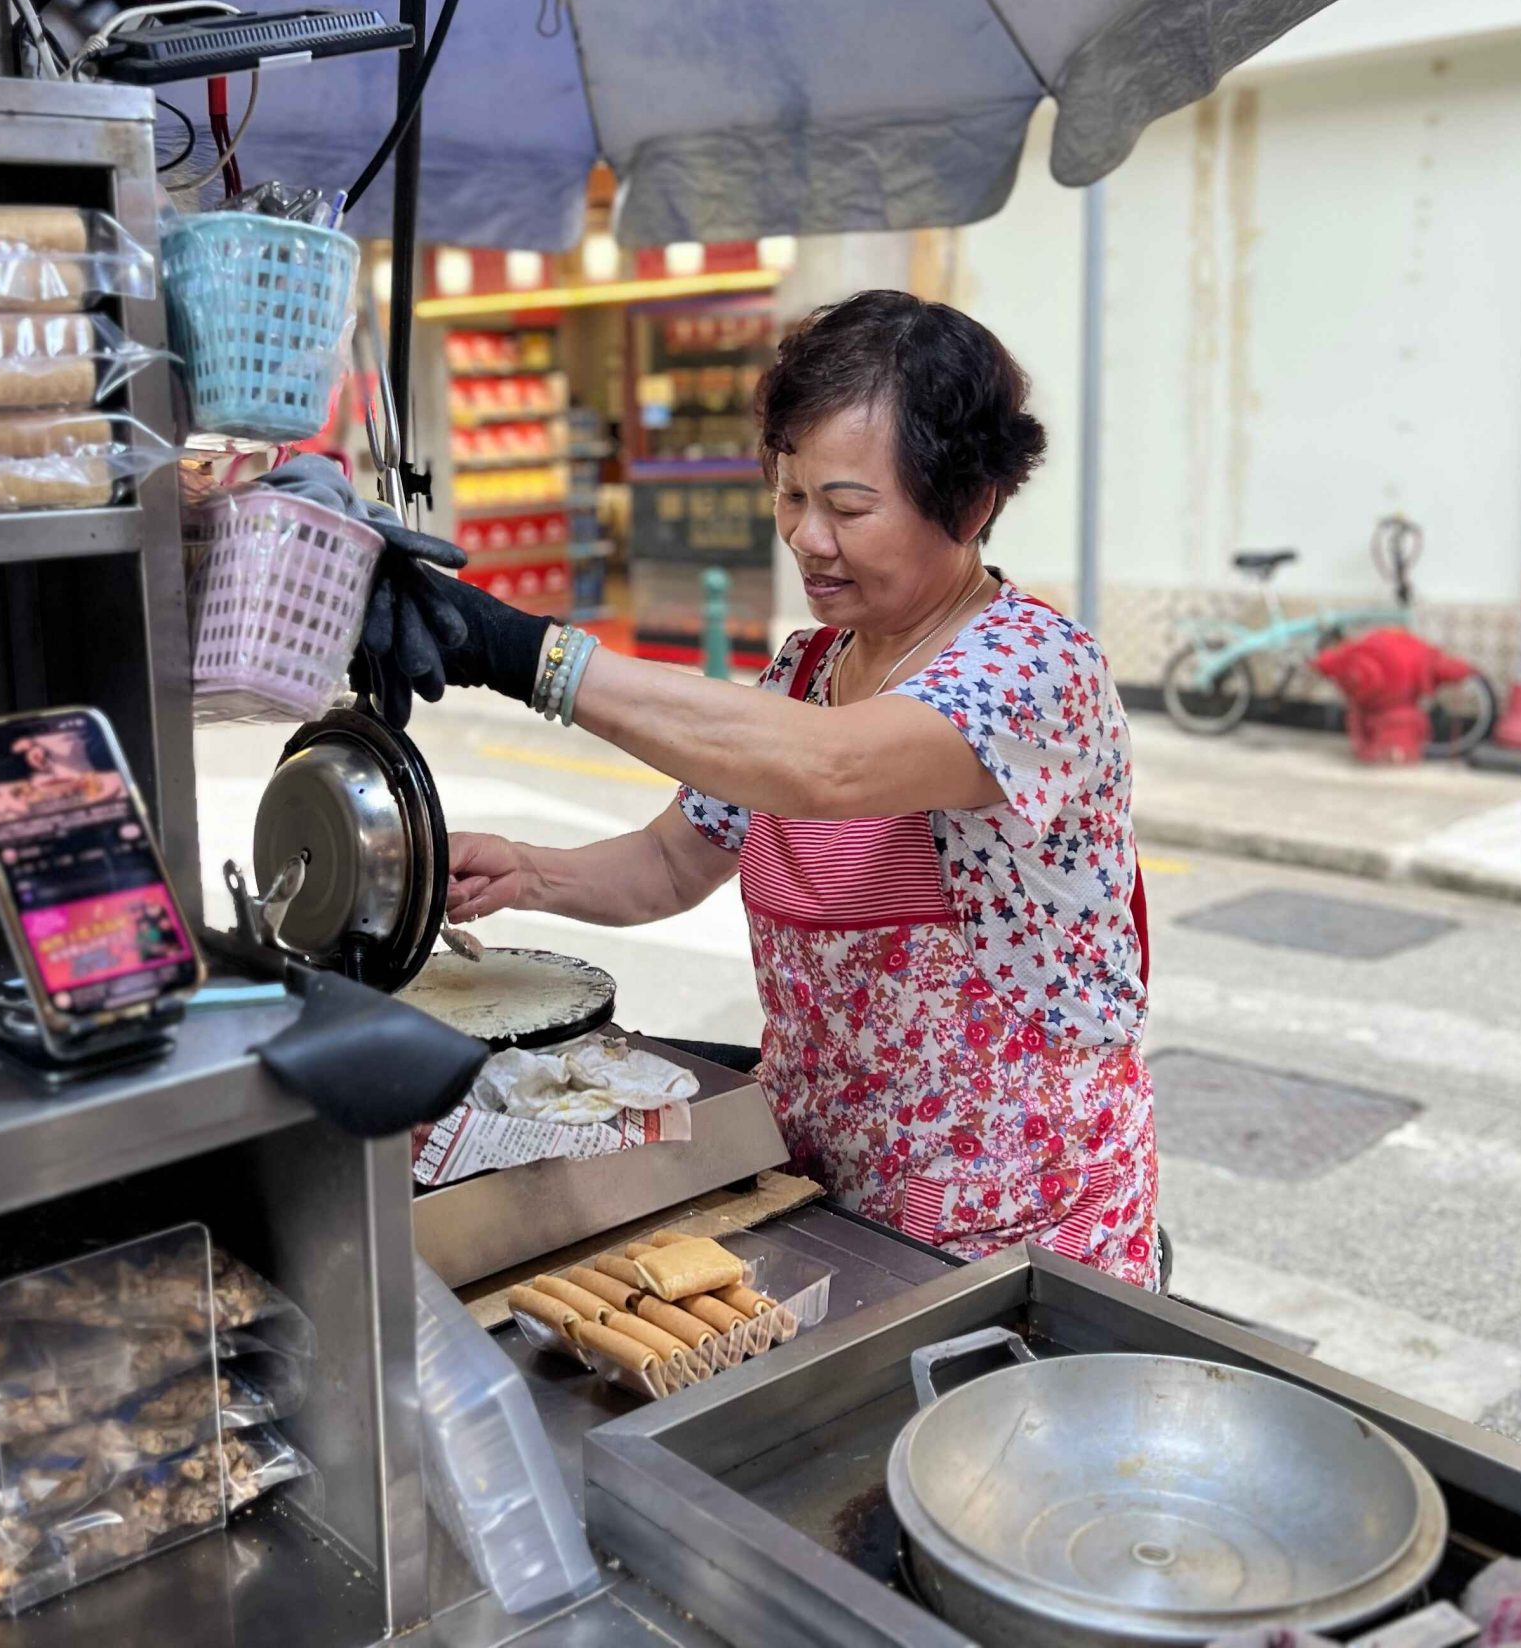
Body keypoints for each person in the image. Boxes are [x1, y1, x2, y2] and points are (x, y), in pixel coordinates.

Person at [416, 293, 1159, 1280]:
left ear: (971, 500)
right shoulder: (806, 674)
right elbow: (667, 864)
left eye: (848, 506)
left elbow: (831, 766)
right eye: (789, 495)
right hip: (826, 1194)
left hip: (1016, 1239)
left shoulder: (1032, 672)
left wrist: (519, 652)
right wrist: (525, 872)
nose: (808, 538)